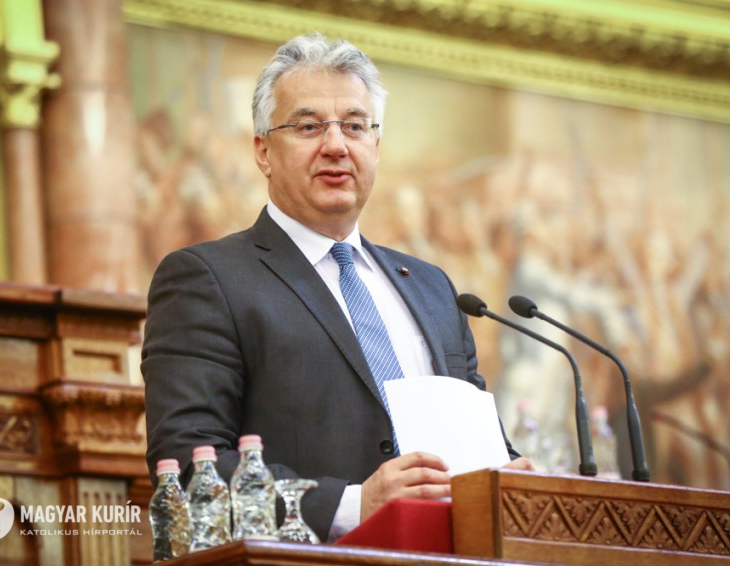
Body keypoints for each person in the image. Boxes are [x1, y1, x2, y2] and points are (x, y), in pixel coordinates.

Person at [142, 32, 532, 543]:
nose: (336, 145)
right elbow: (190, 463)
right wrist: (353, 505)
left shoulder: (434, 289)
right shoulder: (207, 278)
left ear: (375, 146)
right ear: (264, 152)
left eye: (354, 126)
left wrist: (510, 476)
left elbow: (476, 449)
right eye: (308, 127)